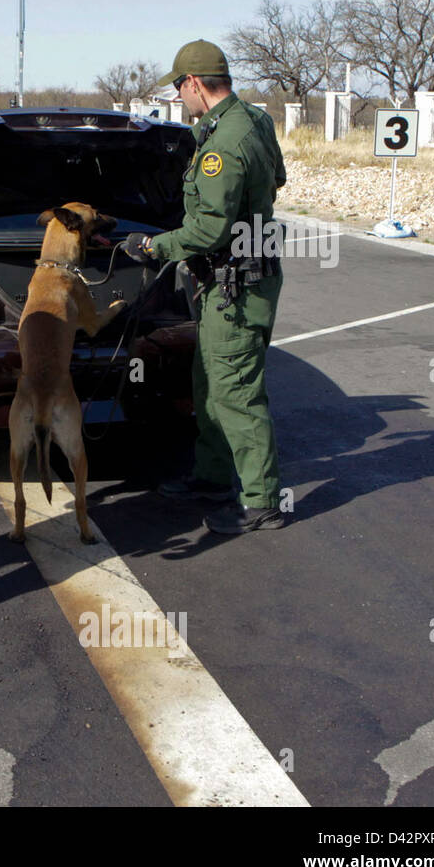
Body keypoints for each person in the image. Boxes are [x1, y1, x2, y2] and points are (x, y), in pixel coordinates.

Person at [122, 39, 287, 534]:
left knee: (236, 390)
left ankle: (262, 502)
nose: (181, 100)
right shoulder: (254, 120)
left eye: (180, 90)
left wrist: (154, 248)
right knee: (210, 382)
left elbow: (210, 229)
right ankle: (213, 476)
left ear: (194, 83)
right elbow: (276, 176)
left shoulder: (223, 144)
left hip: (237, 283)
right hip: (237, 276)